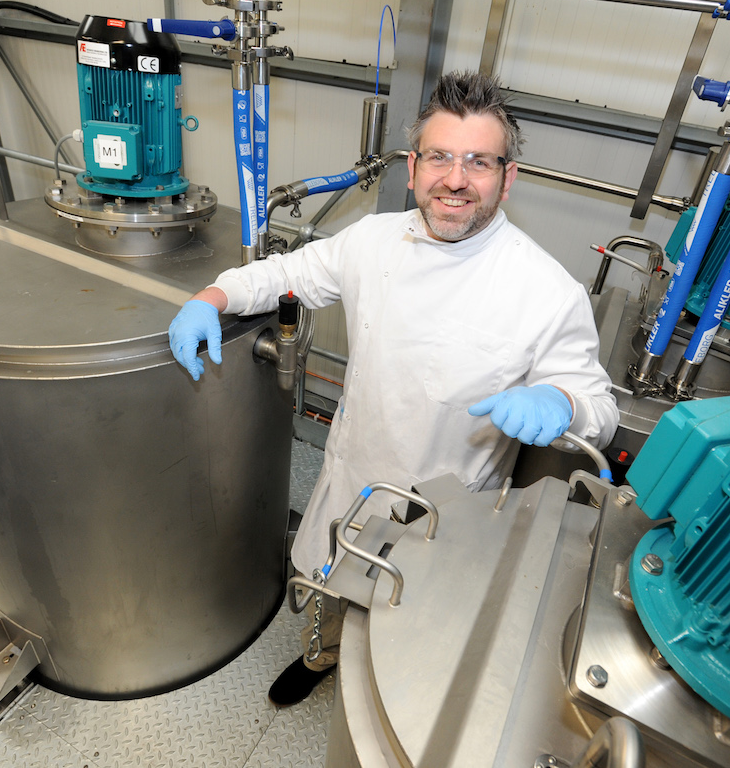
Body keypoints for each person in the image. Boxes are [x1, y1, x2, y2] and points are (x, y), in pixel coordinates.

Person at [168, 71, 619, 706]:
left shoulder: (545, 289)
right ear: (413, 168)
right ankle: (319, 654)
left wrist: (563, 401)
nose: (455, 179)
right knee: (327, 582)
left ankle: (391, 698)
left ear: (507, 178)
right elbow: (285, 273)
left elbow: (598, 409)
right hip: (352, 477)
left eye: (479, 162)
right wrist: (211, 297)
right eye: (440, 157)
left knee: (411, 628)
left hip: (445, 513)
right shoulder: (373, 241)